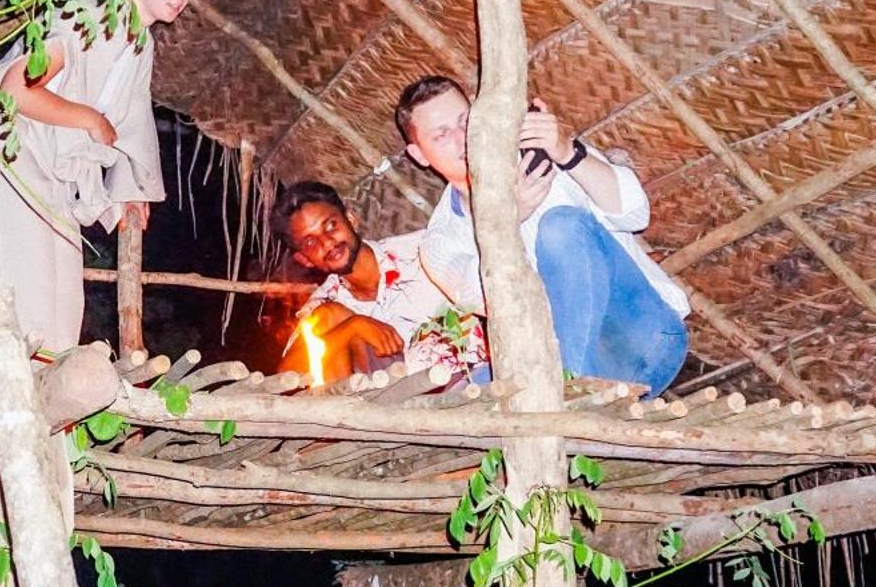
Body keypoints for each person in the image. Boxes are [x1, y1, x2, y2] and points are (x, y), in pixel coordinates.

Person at [0, 0, 201, 351]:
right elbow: (14, 90)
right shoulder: (88, 17)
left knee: (63, 305)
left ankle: (48, 403)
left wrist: (130, 190)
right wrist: (88, 117)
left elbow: (132, 121)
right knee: (22, 292)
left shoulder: (139, 42)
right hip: (14, 158)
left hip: (58, 174)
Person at [395, 74, 690, 395]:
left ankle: (566, 391)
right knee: (463, 393)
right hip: (555, 360)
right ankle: (567, 390)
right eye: (441, 135)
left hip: (643, 341)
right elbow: (502, 306)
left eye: (465, 121)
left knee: (559, 227)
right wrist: (506, 225)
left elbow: (636, 214)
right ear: (419, 154)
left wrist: (568, 152)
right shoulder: (441, 242)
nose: (462, 137)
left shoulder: (540, 153)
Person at [275, 180, 482, 380]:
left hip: (477, 379)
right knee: (329, 320)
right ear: (305, 259)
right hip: (400, 404)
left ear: (351, 219)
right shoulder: (326, 304)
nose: (327, 242)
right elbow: (286, 375)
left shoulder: (423, 250)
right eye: (311, 242)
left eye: (330, 225)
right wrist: (352, 328)